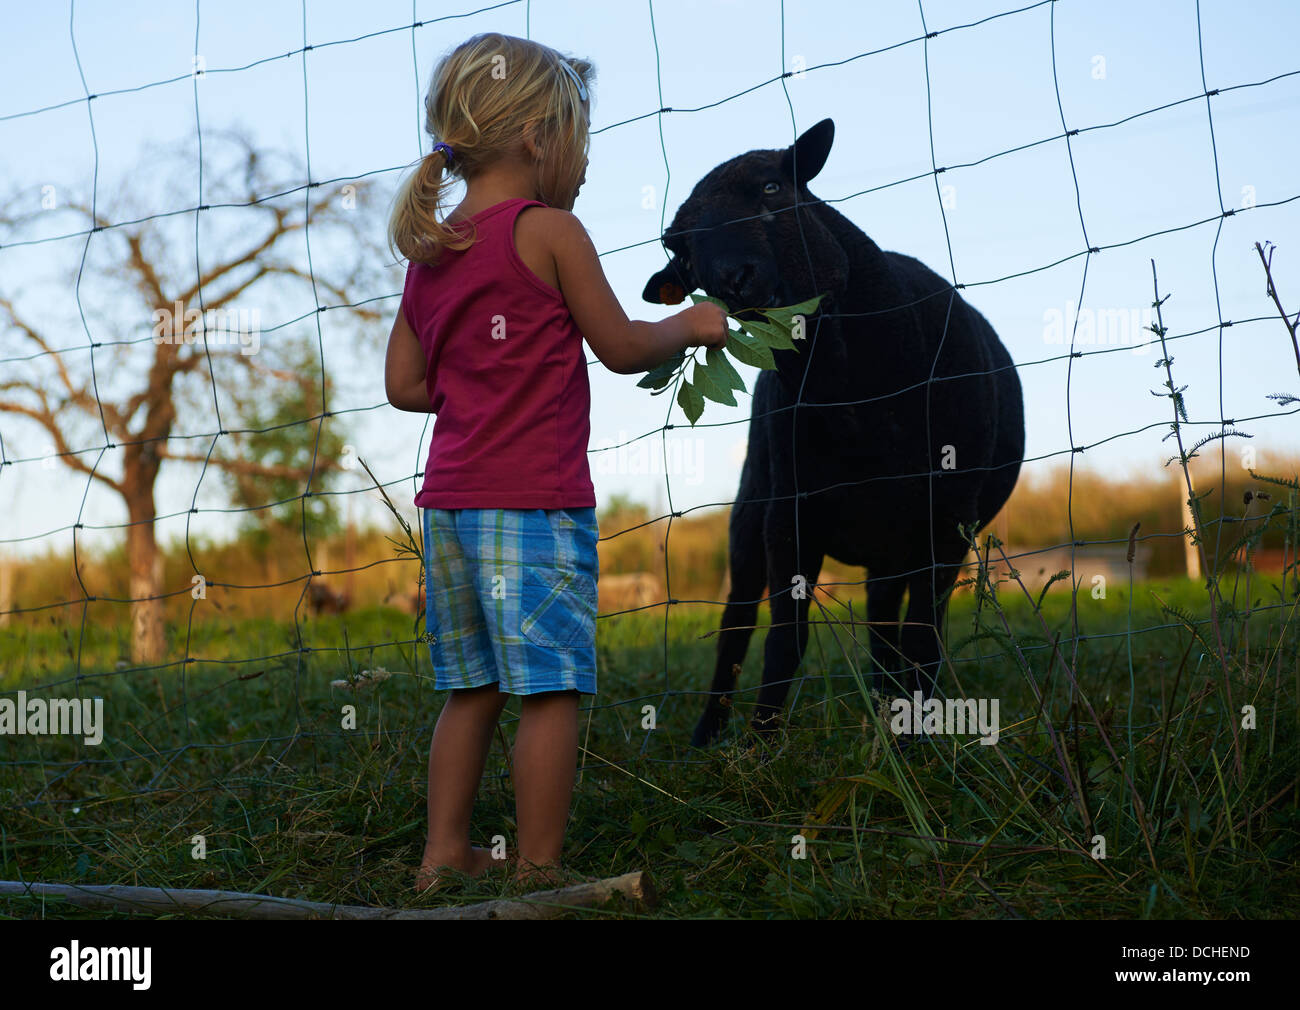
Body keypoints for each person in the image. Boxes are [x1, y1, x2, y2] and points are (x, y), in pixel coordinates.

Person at [383, 32, 727, 892]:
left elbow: (403, 384)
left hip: (452, 507)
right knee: (552, 690)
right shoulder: (551, 231)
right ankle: (538, 870)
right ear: (539, 138)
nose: (583, 162)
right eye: (579, 139)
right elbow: (617, 346)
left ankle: (442, 858)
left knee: (473, 690)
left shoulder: (432, 250)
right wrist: (691, 324)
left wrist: (474, 390)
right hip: (532, 505)